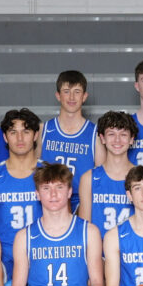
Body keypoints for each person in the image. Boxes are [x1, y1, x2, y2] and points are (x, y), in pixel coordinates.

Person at [0, 108, 42, 278]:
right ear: (5, 137)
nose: (20, 138)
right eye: (13, 132)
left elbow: (65, 224)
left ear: (35, 135)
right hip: (2, 259)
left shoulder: (49, 174)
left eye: (26, 131)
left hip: (41, 255)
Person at [38, 70, 104, 212]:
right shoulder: (43, 130)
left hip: (82, 203)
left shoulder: (95, 134)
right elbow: (32, 171)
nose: (72, 97)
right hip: (49, 201)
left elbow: (100, 180)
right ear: (58, 95)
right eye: (66, 91)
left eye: (77, 92)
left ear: (84, 96)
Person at [79, 110, 137, 238]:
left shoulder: (142, 177)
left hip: (133, 249)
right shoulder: (89, 178)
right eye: (111, 134)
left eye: (123, 134)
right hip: (99, 249)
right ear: (102, 138)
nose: (117, 140)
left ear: (131, 139)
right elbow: (84, 229)